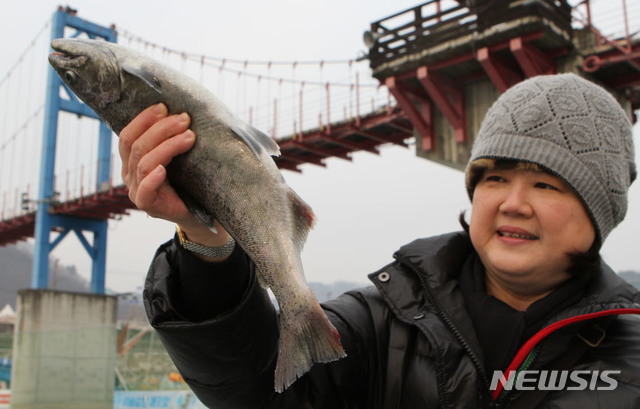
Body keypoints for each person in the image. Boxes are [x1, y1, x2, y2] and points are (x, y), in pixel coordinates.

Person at [121, 73, 640, 408]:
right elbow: (258, 393)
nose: (513, 203)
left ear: (600, 213)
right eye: (495, 179)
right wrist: (208, 240)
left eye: (546, 184)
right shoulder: (379, 320)